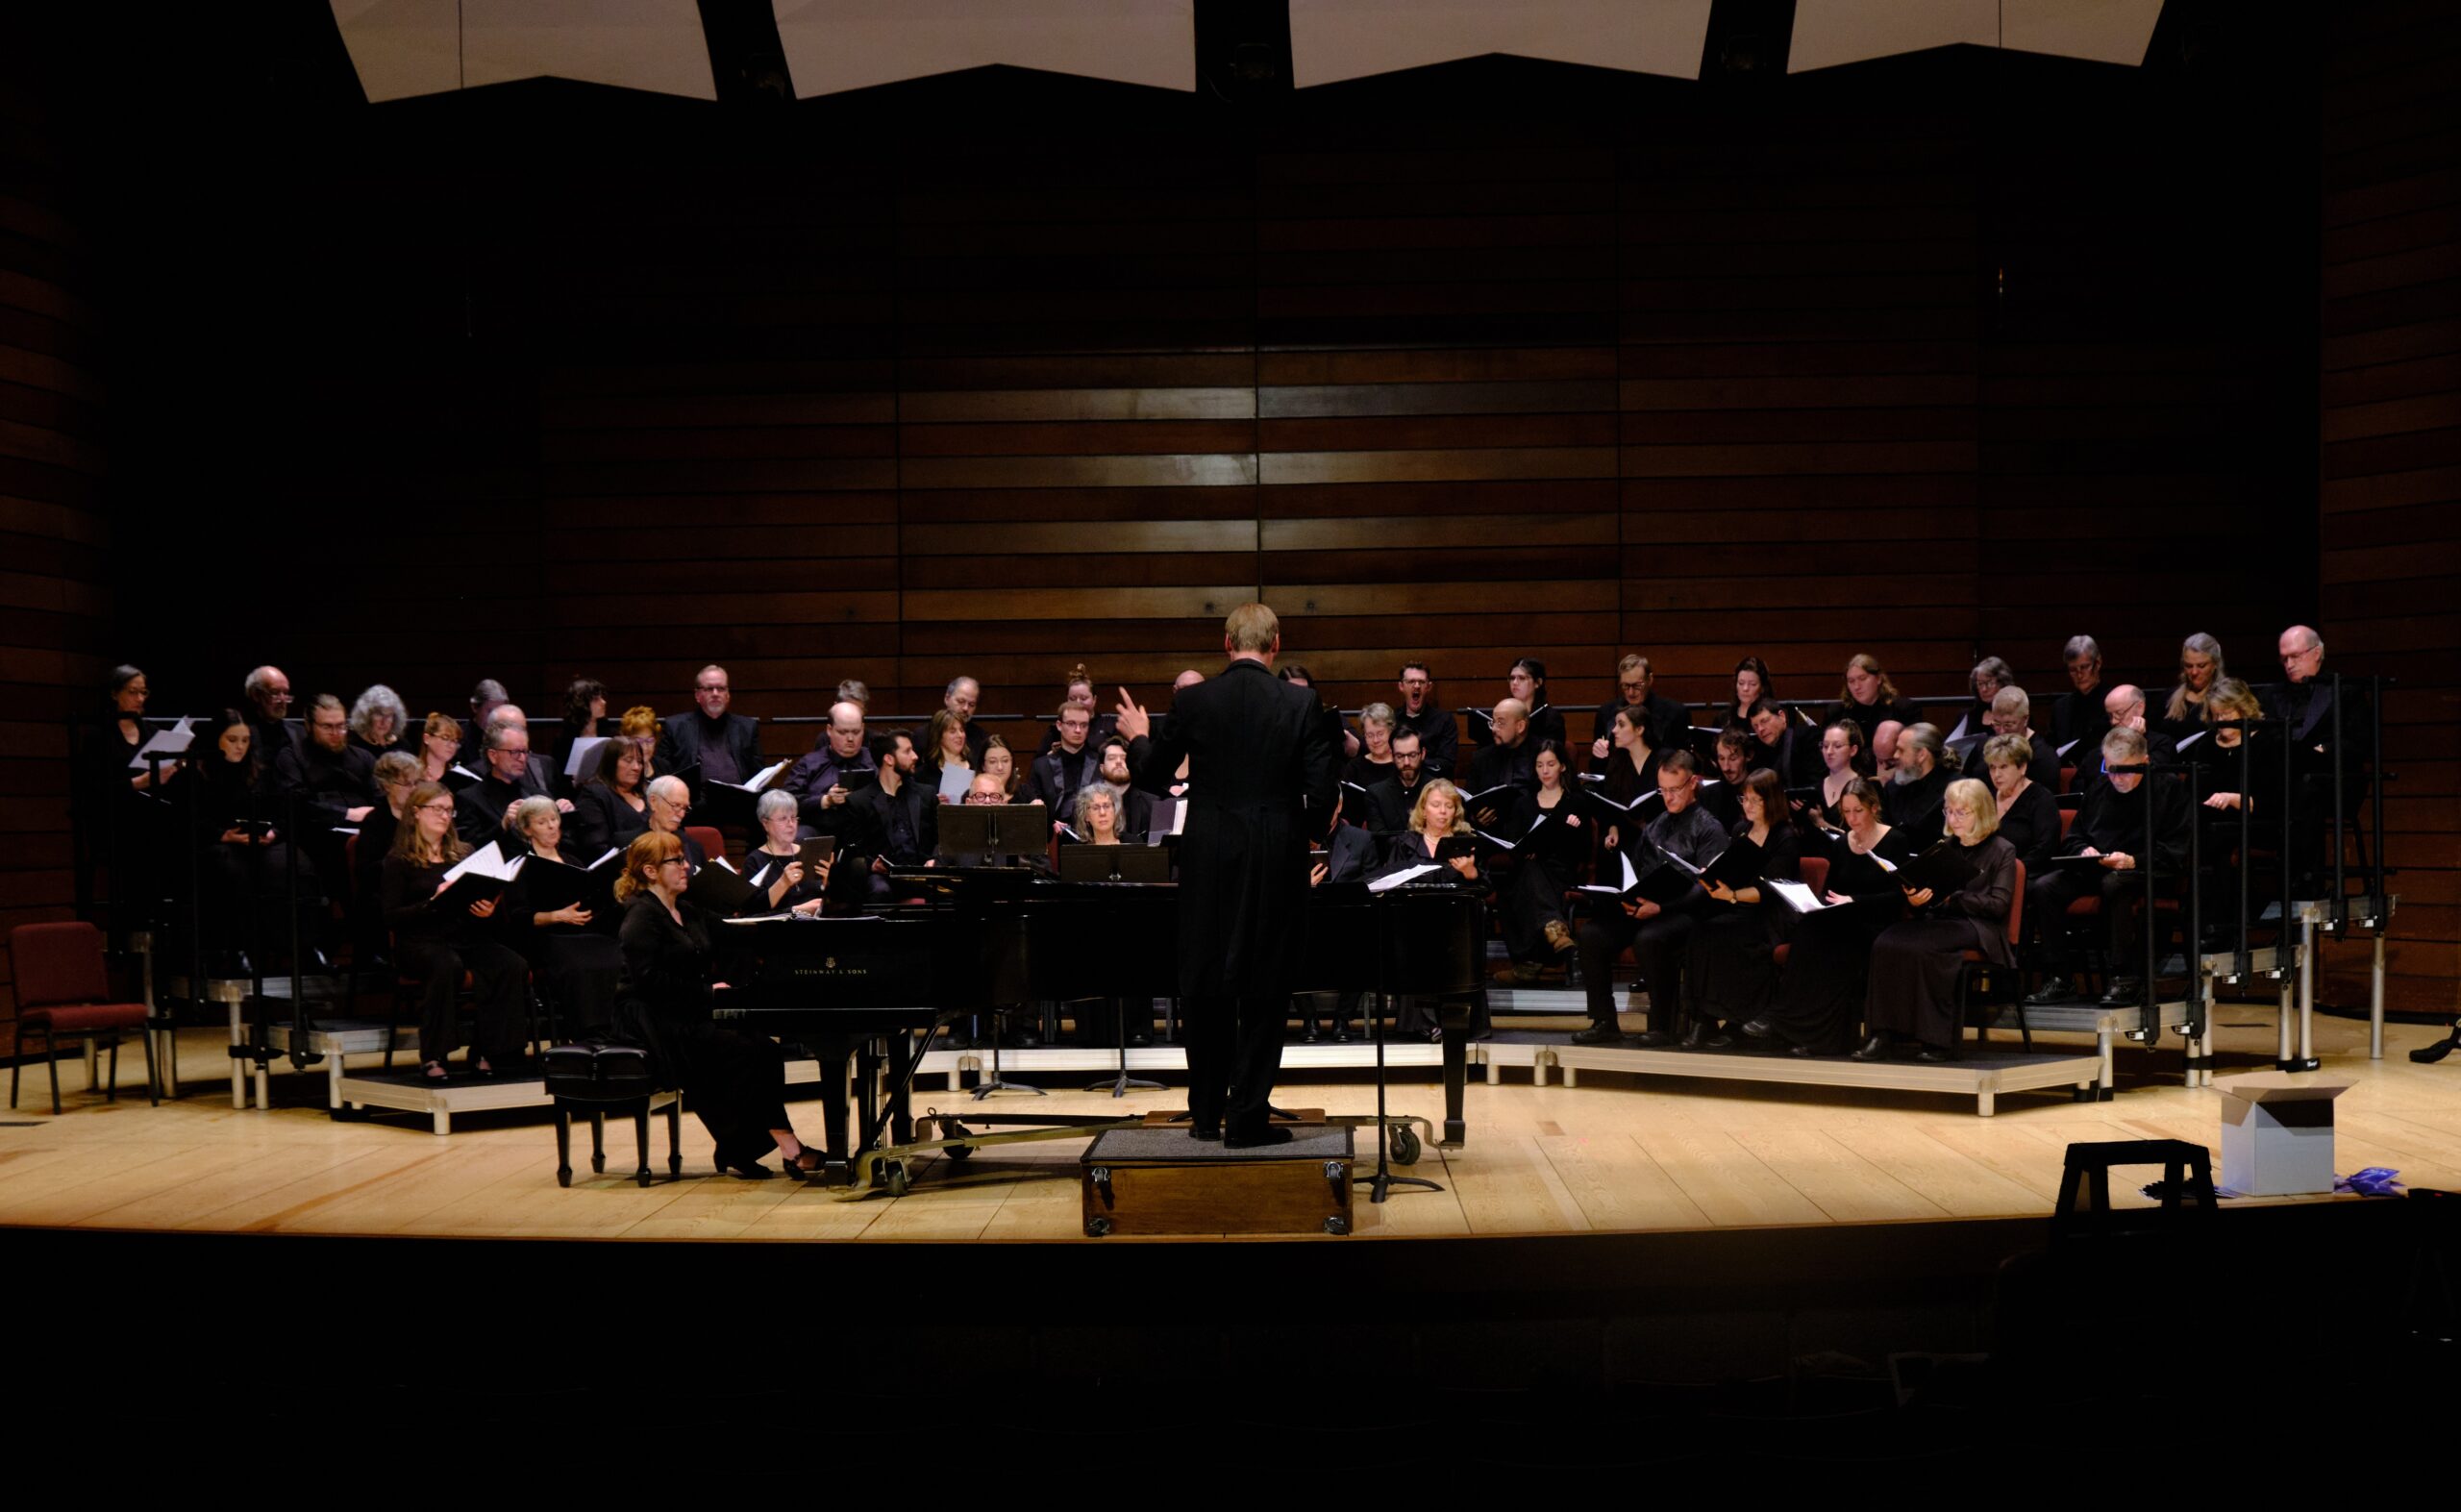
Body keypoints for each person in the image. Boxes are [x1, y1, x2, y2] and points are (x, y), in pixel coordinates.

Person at [1113, 601, 1338, 1147]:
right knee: (1267, 986)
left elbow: (1152, 774)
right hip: (1276, 860)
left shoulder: (1194, 700)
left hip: (1208, 859)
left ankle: (1206, 1113)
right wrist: (1306, 829)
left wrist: (1140, 735)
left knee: (1206, 982)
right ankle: (1247, 1118)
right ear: (1276, 644)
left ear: (1226, 643)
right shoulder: (1301, 702)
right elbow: (1321, 795)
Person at [610, 830, 826, 1178]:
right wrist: (707, 992)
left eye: (684, 859)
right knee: (741, 1051)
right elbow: (648, 982)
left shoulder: (687, 910)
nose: (686, 866)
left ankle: (742, 1146)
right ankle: (777, 1147)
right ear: (650, 871)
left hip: (687, 1007)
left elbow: (741, 931)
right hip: (650, 1016)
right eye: (676, 861)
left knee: (765, 1049)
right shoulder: (641, 916)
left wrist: (796, 916)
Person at [1743, 779, 1916, 1056]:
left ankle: (1787, 1021)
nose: (1852, 818)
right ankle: (1803, 1030)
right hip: (1843, 920)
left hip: (1876, 923)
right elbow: (1830, 890)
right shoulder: (1842, 843)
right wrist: (1815, 904)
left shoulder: (1895, 840)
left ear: (1874, 808)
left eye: (1858, 811)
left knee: (1830, 944)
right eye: (1846, 812)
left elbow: (1898, 897)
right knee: (1808, 929)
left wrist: (1855, 900)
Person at [2025, 726, 2189, 1007]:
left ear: (2145, 762)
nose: (2116, 778)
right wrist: (2083, 850)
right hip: (2099, 866)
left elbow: (2177, 848)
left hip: (2148, 869)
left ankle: (2124, 977)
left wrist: (2134, 860)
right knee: (2045, 887)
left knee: (2115, 883)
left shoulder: (2169, 789)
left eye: (2124, 770)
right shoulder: (2100, 787)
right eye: (2110, 769)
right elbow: (2075, 836)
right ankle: (2061, 977)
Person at [1856, 778, 2019, 1062]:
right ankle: (1882, 1033)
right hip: (1942, 921)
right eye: (1949, 811)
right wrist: (1917, 900)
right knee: (1886, 942)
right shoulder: (1946, 846)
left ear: (1981, 812)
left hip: (1979, 927)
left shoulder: (2002, 849)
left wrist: (1952, 899)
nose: (1953, 819)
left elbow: (1998, 905)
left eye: (1961, 812)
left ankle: (1936, 1040)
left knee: (1924, 948)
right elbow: (1930, 901)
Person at [1572, 749, 1725, 1048]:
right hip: (1648, 907)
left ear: (1693, 783)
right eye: (1662, 790)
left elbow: (1707, 888)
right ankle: (1604, 1021)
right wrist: (1627, 898)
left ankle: (1661, 1025)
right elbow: (1637, 870)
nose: (1668, 797)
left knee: (1649, 938)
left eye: (1674, 789)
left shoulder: (1709, 828)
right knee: (1592, 935)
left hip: (1686, 913)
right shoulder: (1656, 825)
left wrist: (1661, 907)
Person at [380, 781, 529, 1082]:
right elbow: (390, 917)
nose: (445, 816)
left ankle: (488, 1051)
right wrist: (431, 903)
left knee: (511, 964)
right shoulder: (399, 860)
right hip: (420, 941)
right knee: (447, 964)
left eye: (449, 810)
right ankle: (433, 1055)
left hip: (464, 936)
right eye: (437, 809)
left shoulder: (464, 852)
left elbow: (481, 905)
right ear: (416, 812)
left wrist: (487, 910)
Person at [1688, 768, 1802, 1044]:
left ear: (1770, 801)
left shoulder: (1785, 837)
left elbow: (1770, 891)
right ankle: (1704, 1017)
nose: (1747, 805)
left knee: (1730, 934)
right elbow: (1734, 870)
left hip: (1772, 913)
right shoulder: (1741, 830)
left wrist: (1732, 896)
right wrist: (1714, 876)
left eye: (1755, 800)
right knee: (1700, 930)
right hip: (1739, 905)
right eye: (1744, 799)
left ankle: (1737, 1019)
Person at [503, 795, 623, 1036]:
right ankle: (588, 1032)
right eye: (541, 822)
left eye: (554, 819)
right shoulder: (520, 866)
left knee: (616, 956)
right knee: (579, 965)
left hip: (585, 932)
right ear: (527, 830)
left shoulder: (572, 860)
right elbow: (518, 916)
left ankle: (618, 1027)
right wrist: (557, 916)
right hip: (547, 938)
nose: (551, 826)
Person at [1492, 741, 1593, 985]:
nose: (1545, 770)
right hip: (1528, 870)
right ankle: (1554, 927)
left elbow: (1584, 850)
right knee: (1523, 876)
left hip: (1562, 872)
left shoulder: (1576, 801)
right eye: (1539, 765)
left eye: (1550, 764)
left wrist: (1573, 831)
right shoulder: (1523, 803)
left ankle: (1527, 964)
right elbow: (1514, 844)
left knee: (1529, 878)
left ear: (1562, 767)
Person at [846, 728, 936, 899]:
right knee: (879, 889)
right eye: (907, 751)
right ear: (889, 759)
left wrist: (935, 859)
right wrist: (872, 865)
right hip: (884, 877)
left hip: (922, 871)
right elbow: (853, 854)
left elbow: (942, 840)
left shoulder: (926, 794)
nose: (915, 756)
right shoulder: (859, 802)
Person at [655, 664, 762, 801]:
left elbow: (759, 775)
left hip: (739, 803)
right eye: (709, 689)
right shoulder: (675, 727)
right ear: (697, 695)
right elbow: (663, 775)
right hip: (693, 805)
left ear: (728, 695)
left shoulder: (747, 728)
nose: (715, 693)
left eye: (721, 688)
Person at [456, 718, 560, 848]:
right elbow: (469, 849)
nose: (522, 759)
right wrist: (503, 825)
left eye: (524, 752)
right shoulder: (469, 799)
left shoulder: (540, 796)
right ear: (493, 756)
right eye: (515, 752)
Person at [783, 701, 877, 831]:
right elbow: (787, 801)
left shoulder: (876, 760)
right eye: (843, 732)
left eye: (856, 732)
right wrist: (826, 800)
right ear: (829, 730)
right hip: (820, 830)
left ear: (863, 728)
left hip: (868, 831)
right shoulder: (810, 763)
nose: (850, 738)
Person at [1982, 732, 2061, 878]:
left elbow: (2043, 850)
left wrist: (2008, 872)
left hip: (2027, 875)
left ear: (2022, 767)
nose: (1996, 774)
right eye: (1992, 767)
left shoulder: (2042, 799)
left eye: (2003, 767)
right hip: (1988, 874)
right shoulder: (1986, 798)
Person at [743, 789, 832, 915]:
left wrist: (828, 882)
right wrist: (784, 883)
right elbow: (753, 911)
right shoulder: (754, 861)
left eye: (793, 818)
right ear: (765, 823)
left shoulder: (810, 852)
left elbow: (828, 900)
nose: (791, 824)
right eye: (782, 819)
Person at [1592, 655, 1687, 770]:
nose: (1631, 692)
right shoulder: (1606, 712)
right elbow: (1597, 767)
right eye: (1625, 686)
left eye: (1637, 686)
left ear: (1650, 680)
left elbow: (1684, 762)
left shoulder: (1675, 713)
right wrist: (1599, 752)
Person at [1965, 686, 2062, 794]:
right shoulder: (1984, 747)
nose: (2002, 732)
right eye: (1997, 724)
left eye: (2008, 725)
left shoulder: (2043, 757)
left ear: (2025, 719)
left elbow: (2043, 799)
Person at [569, 735, 653, 858]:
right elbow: (597, 849)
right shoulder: (594, 795)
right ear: (611, 763)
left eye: (640, 762)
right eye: (628, 760)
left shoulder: (648, 793)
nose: (636, 767)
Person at [1882, 722, 1953, 847]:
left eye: (1901, 750)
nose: (1895, 755)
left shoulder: (1954, 790)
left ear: (1921, 755)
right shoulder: (1892, 788)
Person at [1461, 698, 1536, 816]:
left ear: (1520, 726)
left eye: (1500, 723)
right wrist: (1477, 817)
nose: (1494, 729)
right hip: (1491, 825)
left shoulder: (1543, 754)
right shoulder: (1481, 758)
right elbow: (1469, 800)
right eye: (1493, 722)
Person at [1026, 702, 1098, 819]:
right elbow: (1035, 807)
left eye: (1084, 725)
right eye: (1071, 724)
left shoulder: (1098, 762)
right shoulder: (1041, 766)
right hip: (1052, 828)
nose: (1078, 730)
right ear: (1059, 725)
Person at [1385, 661, 1458, 777]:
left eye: (1421, 682)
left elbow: (1446, 765)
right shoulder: (1391, 720)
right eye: (1411, 681)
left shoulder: (1445, 720)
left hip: (1433, 783)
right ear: (1401, 686)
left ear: (1428, 686)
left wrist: (1413, 763)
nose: (1417, 686)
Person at [1831, 654, 1919, 749]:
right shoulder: (1837, 711)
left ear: (1879, 678)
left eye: (1862, 679)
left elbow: (1914, 748)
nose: (1857, 686)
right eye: (1851, 681)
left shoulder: (1903, 708)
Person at [1802, 720, 1868, 831]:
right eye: (1825, 746)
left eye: (1837, 746)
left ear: (1853, 750)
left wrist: (1824, 825)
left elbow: (1868, 835)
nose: (1829, 751)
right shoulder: (1815, 789)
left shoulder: (1865, 788)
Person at [2158, 632, 2225, 743]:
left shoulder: (2226, 700)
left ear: (2215, 664)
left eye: (2201, 666)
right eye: (2188, 666)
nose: (2194, 672)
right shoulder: (2168, 698)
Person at [1039, 664, 1118, 755]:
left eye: (1084, 698)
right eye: (1072, 699)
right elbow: (1038, 761)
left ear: (1094, 700)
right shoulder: (1056, 729)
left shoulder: (1110, 725)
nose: (1078, 703)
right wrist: (1053, 755)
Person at [2051, 635, 2110, 754]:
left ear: (2098, 663)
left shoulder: (2113, 702)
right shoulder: (2060, 707)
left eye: (2084, 667)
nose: (2079, 675)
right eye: (2073, 670)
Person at [1745, 698, 1818, 787]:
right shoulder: (1760, 752)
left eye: (1764, 721)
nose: (1760, 729)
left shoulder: (1806, 737)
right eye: (1755, 726)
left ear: (1782, 716)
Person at [642, 775, 708, 871]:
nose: (682, 814)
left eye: (685, 808)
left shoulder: (693, 847)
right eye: (676, 805)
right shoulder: (630, 843)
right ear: (653, 802)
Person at [242, 665, 298, 776]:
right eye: (275, 692)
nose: (283, 700)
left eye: (286, 693)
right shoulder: (238, 734)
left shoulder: (299, 733)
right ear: (256, 694)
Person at [555, 677, 609, 778]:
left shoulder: (610, 733)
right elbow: (559, 775)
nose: (603, 702)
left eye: (602, 697)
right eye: (596, 699)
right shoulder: (564, 740)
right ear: (582, 704)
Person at [919, 708, 973, 800]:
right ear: (939, 736)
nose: (960, 735)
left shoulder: (975, 766)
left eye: (961, 730)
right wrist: (933, 802)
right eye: (952, 731)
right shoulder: (924, 774)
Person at [1343, 702, 1399, 789]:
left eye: (1380, 734)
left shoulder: (1402, 763)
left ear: (1391, 732)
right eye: (1370, 735)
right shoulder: (1354, 768)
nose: (1375, 740)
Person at [1956, 657, 2013, 742]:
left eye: (1989, 683)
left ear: (2003, 683)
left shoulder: (2017, 714)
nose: (1984, 689)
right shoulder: (1968, 716)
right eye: (1980, 683)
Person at [348, 684, 410, 758]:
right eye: (379, 714)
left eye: (389, 715)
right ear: (367, 716)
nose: (384, 721)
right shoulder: (354, 746)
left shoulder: (402, 745)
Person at [1715, 657, 1775, 731]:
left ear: (1762, 688)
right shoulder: (1723, 718)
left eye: (1752, 684)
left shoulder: (1772, 718)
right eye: (1741, 683)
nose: (1745, 688)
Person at [417, 712, 463, 784]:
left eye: (455, 741)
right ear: (427, 739)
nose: (452, 746)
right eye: (445, 738)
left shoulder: (458, 776)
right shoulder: (411, 773)